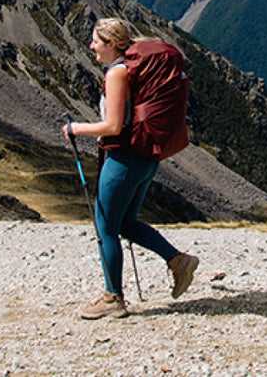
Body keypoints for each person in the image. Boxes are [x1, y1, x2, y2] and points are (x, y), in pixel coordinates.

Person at [63, 18, 201, 319]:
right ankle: (178, 261)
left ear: (112, 44)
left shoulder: (117, 74)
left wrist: (76, 128)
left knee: (106, 228)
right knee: (125, 223)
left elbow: (113, 125)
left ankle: (113, 298)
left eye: (96, 41)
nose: (91, 46)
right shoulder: (129, 70)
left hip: (123, 158)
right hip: (144, 159)